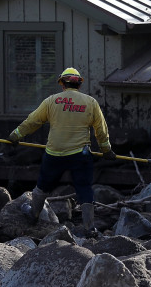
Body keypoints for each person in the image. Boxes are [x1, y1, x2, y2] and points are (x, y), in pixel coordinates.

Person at [7, 67, 116, 233]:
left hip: (54, 153)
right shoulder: (90, 102)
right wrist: (106, 149)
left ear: (62, 84)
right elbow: (101, 130)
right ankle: (89, 227)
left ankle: (34, 213)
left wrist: (16, 135)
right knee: (84, 187)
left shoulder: (52, 101)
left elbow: (33, 121)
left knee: (43, 185)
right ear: (79, 84)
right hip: (81, 154)